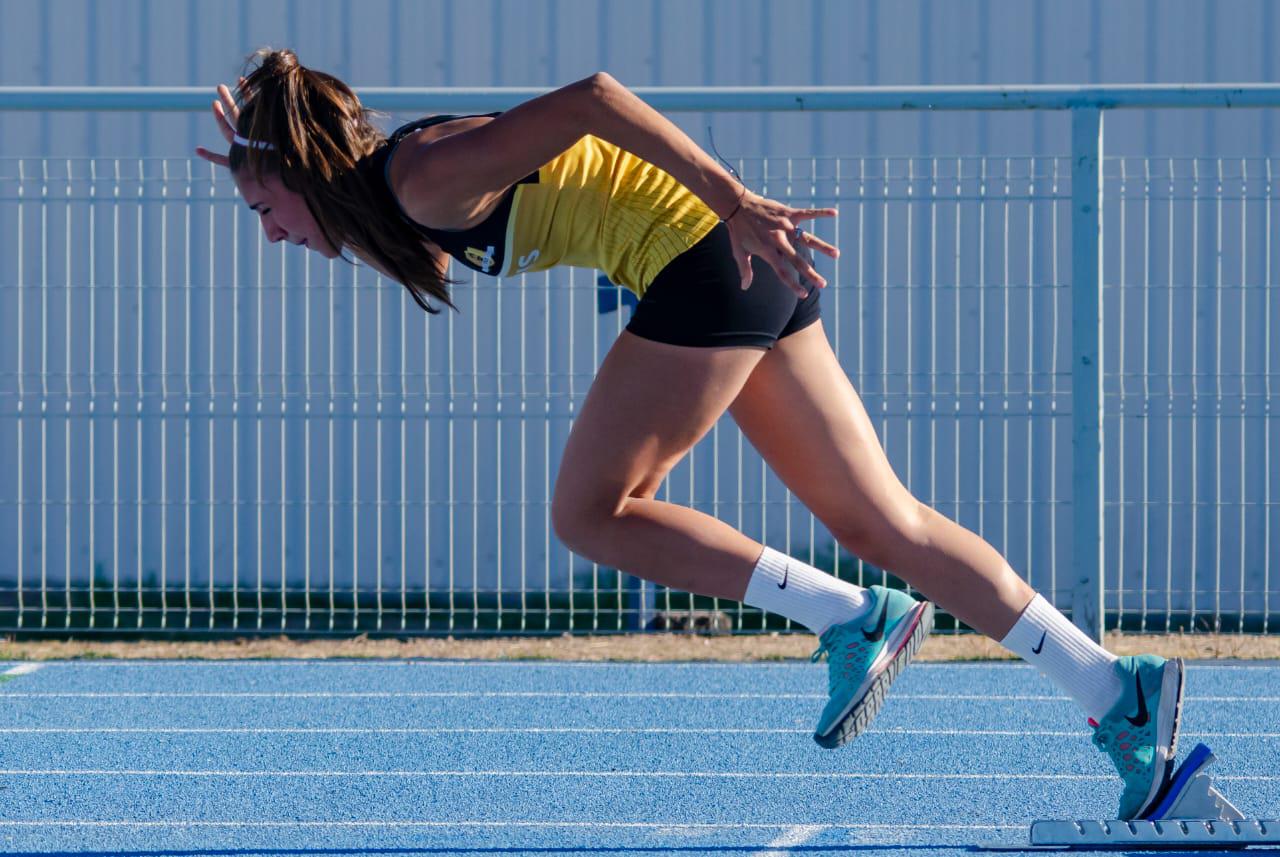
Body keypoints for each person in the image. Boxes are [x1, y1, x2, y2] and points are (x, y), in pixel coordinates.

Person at [196, 48, 1183, 821]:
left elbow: (589, 96)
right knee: (886, 522)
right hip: (719, 266)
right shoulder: (393, 201)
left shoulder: (424, 175)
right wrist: (268, 154)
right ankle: (1112, 688)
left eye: (263, 209)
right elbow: (405, 233)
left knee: (591, 511)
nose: (269, 232)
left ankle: (849, 616)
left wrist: (733, 199)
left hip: (706, 253)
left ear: (307, 174)